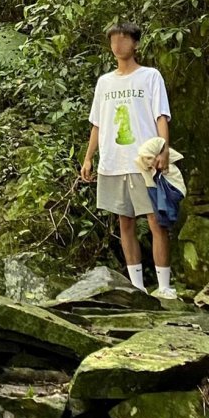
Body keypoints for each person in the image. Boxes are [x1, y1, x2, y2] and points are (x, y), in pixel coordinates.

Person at [80, 21, 177, 298]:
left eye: (124, 40)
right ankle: (136, 288)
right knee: (125, 222)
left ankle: (165, 287)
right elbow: (97, 124)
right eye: (113, 40)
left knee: (156, 221)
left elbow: (161, 115)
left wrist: (164, 149)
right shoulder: (104, 82)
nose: (118, 45)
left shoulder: (150, 77)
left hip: (143, 160)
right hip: (113, 161)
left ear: (135, 43)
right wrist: (88, 159)